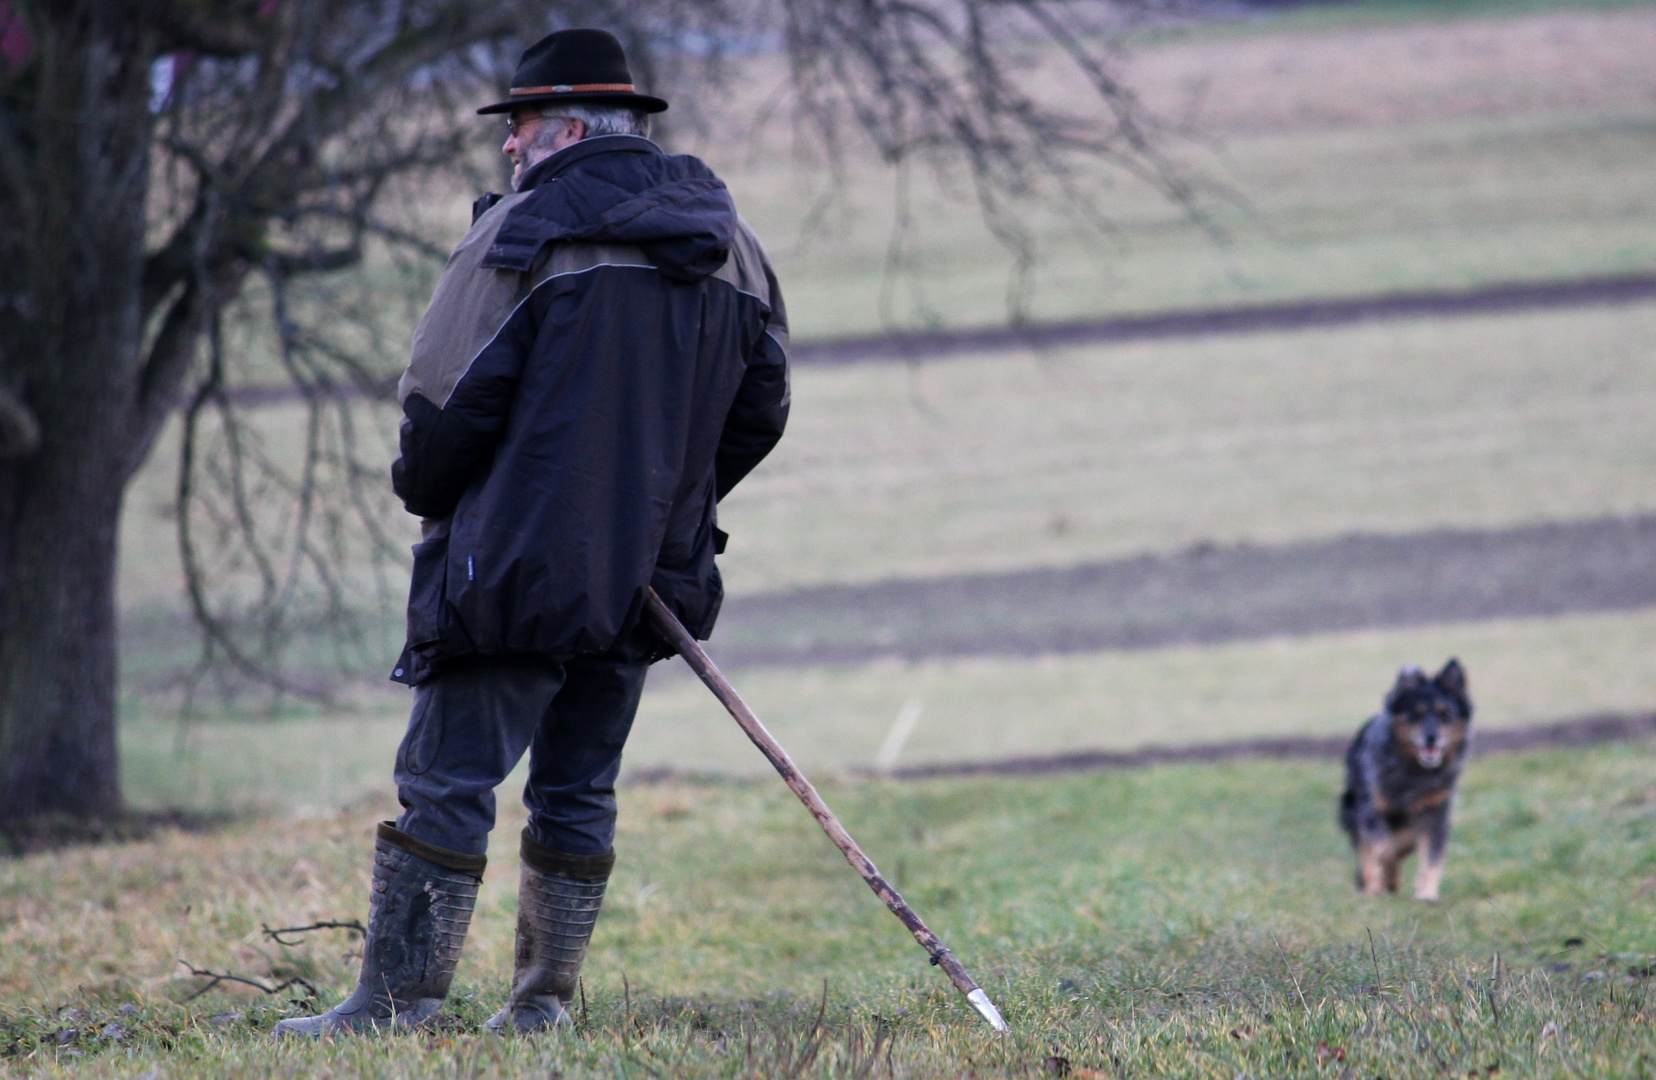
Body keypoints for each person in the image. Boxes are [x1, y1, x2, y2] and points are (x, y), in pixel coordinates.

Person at [274, 27, 789, 1038]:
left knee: (446, 780)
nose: (508, 149)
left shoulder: (520, 236)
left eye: (517, 127)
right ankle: (540, 1007)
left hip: (514, 569)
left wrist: (431, 492)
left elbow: (441, 405)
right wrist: (662, 500)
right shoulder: (731, 243)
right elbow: (762, 407)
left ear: (559, 128)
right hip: (650, 570)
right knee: (578, 786)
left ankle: (393, 1005)